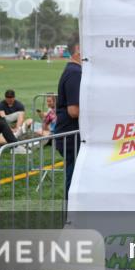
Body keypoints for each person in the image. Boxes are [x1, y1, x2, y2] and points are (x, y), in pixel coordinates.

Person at [55, 36, 82, 197]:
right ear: (78, 49)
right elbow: (74, 111)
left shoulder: (73, 70)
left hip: (69, 135)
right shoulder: (75, 72)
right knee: (74, 178)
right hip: (71, 136)